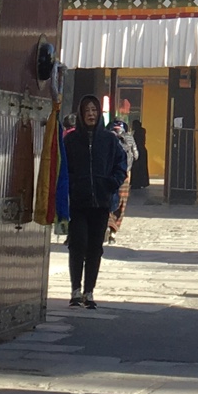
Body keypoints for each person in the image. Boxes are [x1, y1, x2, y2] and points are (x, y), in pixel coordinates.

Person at [54, 94, 125, 309]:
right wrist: (72, 185)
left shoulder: (109, 140)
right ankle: (76, 290)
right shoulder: (71, 140)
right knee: (78, 245)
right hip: (79, 202)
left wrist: (111, 182)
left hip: (101, 203)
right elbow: (63, 167)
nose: (91, 115)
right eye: (87, 111)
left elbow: (121, 164)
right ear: (81, 115)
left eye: (94, 111)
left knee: (95, 248)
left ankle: (89, 292)